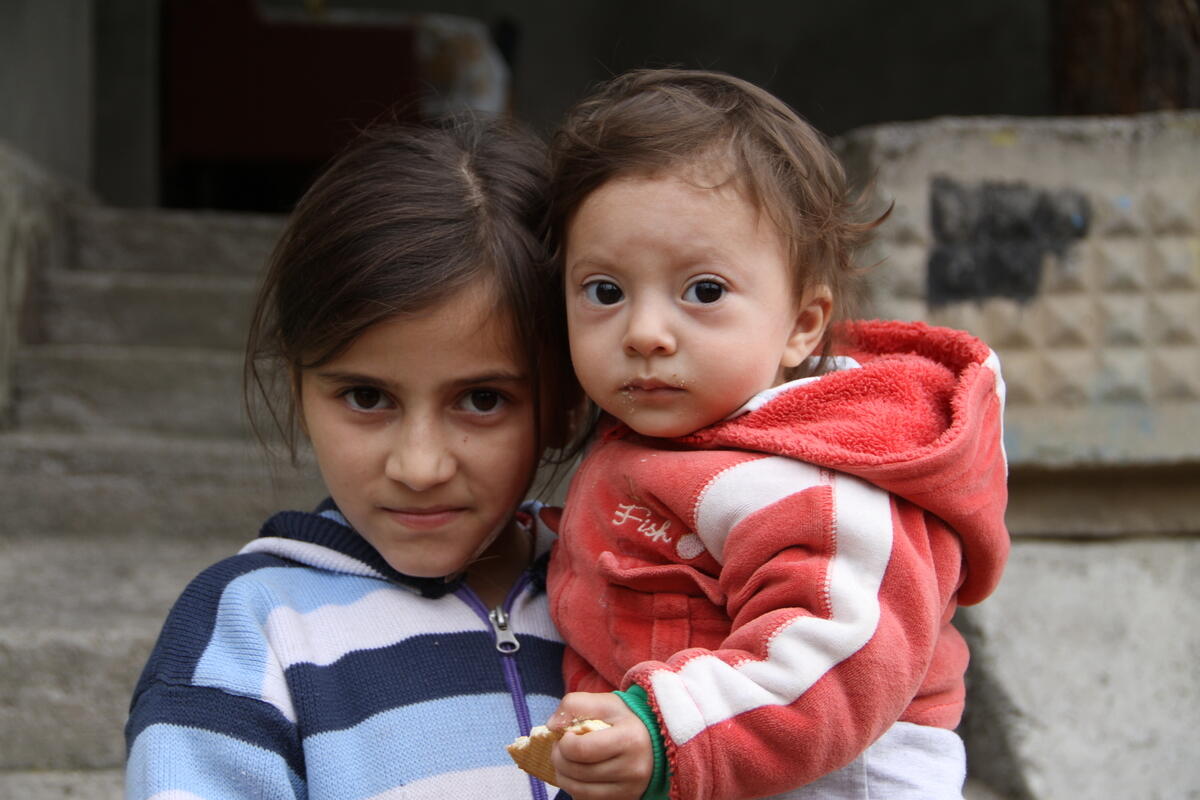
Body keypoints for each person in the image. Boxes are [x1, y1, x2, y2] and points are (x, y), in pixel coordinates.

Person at [538, 69, 1011, 800]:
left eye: (704, 291)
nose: (645, 333)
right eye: (605, 291)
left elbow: (837, 651)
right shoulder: (663, 434)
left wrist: (662, 730)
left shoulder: (815, 474)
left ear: (801, 325)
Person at [124, 116, 583, 800]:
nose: (420, 466)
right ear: (298, 389)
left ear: (566, 400)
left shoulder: (639, 584)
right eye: (367, 396)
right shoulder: (251, 632)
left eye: (483, 400)